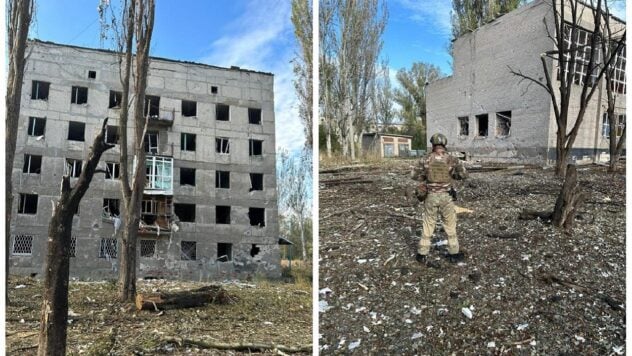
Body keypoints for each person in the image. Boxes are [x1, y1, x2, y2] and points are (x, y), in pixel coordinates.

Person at [411, 133, 467, 264]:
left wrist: (426, 178)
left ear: (433, 144)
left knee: (428, 224)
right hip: (446, 197)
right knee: (450, 225)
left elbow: (414, 175)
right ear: (444, 144)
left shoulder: (425, 159)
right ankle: (454, 253)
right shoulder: (452, 159)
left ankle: (422, 253)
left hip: (430, 196)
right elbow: (463, 175)